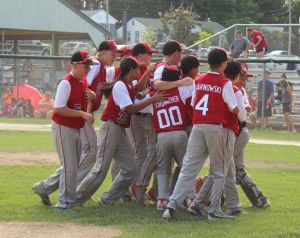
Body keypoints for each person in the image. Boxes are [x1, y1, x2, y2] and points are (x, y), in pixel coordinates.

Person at [75, 57, 165, 206]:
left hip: (120, 130)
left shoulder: (128, 85)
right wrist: (152, 99)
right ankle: (76, 199)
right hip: (111, 127)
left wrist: (148, 71)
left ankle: (108, 198)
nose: (139, 72)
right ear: (131, 70)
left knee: (131, 169)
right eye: (137, 69)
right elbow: (129, 109)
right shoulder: (120, 85)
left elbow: (137, 89)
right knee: (100, 170)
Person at [163, 48, 239, 220]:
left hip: (198, 126)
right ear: (222, 64)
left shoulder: (199, 79)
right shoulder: (225, 82)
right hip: (214, 128)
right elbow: (233, 108)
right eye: (225, 61)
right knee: (219, 170)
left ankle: (171, 206)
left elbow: (195, 101)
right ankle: (214, 210)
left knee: (188, 169)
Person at [35, 50, 95, 211]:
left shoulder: (82, 82)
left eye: (89, 66)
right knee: (70, 166)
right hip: (63, 127)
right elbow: (59, 108)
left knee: (72, 165)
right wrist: (83, 114)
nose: (88, 69)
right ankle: (64, 204)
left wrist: (92, 97)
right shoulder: (66, 82)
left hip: (75, 127)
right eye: (86, 65)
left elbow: (82, 100)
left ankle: (44, 188)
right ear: (75, 65)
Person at [151, 65, 193, 211]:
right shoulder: (181, 89)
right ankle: (189, 197)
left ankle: (162, 199)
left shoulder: (154, 94)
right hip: (179, 133)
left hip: (161, 135)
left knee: (162, 170)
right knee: (185, 167)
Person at [233, 65, 271, 208]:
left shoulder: (239, 90)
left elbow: (245, 108)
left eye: (245, 78)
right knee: (238, 170)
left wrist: (245, 107)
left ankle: (209, 198)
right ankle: (260, 200)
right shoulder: (231, 89)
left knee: (223, 167)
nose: (243, 80)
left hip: (238, 132)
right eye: (241, 77)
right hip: (238, 132)